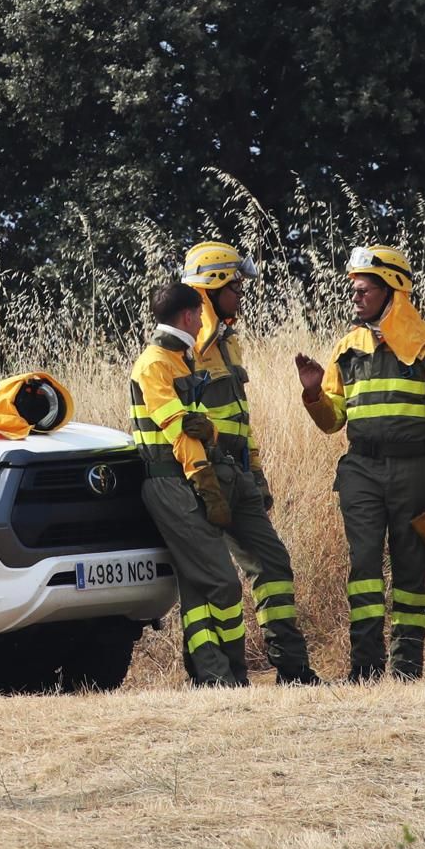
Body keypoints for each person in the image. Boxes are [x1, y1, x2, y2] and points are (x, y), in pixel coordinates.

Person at [294, 245, 425, 681]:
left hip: (412, 470)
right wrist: (314, 394)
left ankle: (407, 668)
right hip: (361, 471)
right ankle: (364, 669)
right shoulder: (347, 346)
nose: (355, 296)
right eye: (354, 289)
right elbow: (333, 422)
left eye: (363, 289)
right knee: (363, 566)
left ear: (393, 289)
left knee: (412, 568)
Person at [133, 280, 300, 687]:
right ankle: (220, 677)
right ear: (191, 315)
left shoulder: (181, 358)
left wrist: (214, 446)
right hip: (173, 482)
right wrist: (204, 480)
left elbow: (199, 426)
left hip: (199, 476)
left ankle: (225, 678)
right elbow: (178, 429)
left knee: (201, 582)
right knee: (220, 583)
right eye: (199, 316)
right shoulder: (156, 363)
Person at [178, 241, 319, 684]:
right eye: (235, 285)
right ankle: (214, 677)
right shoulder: (184, 345)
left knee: (272, 563)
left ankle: (292, 668)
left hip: (237, 473)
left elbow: (241, 418)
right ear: (214, 285)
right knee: (210, 579)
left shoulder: (228, 342)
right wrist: (202, 478)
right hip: (203, 476)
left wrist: (256, 474)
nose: (241, 294)